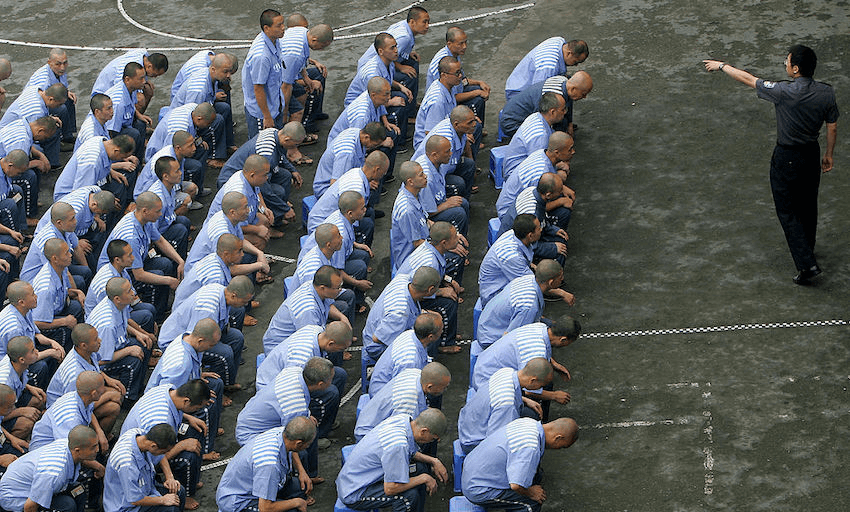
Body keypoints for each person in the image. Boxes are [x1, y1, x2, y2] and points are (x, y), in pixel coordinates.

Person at [703, 46, 839, 284]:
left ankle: (807, 265)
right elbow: (832, 126)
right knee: (808, 206)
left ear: (795, 69)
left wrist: (723, 66)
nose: (785, 65)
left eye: (787, 62)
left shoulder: (783, 91)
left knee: (787, 210)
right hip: (810, 154)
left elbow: (748, 78)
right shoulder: (826, 93)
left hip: (786, 156)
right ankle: (808, 249)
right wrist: (828, 154)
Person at [120, 380, 212, 510]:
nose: (197, 411)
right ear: (186, 401)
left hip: (151, 443)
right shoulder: (160, 420)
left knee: (194, 432)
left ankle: (188, 483)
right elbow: (157, 452)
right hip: (146, 455)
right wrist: (181, 447)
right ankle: (183, 493)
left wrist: (188, 417)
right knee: (187, 456)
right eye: (197, 408)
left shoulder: (168, 390)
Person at [336, 409, 448, 512]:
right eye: (433, 438)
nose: (432, 441)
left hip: (359, 476)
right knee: (408, 496)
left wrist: (434, 461)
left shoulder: (403, 420)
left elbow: (411, 452)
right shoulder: (398, 446)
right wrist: (424, 478)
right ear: (424, 431)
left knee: (420, 468)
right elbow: (391, 488)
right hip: (355, 491)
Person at [146, 319, 224, 466]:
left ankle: (210, 433)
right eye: (211, 345)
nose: (211, 348)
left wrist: (198, 375)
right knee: (205, 409)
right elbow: (169, 397)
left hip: (183, 390)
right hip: (166, 400)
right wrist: (187, 416)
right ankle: (204, 450)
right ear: (201, 340)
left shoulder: (189, 339)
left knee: (216, 385)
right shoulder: (180, 365)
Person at [97, 192, 185, 321]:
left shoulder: (145, 220)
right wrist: (169, 280)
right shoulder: (131, 237)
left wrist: (180, 261)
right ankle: (157, 317)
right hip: (119, 274)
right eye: (157, 211)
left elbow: (160, 241)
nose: (160, 214)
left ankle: (162, 307)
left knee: (165, 264)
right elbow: (139, 275)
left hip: (133, 264)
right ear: (145, 211)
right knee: (160, 276)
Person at [462, 417, 579, 511]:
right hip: (478, 489)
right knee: (530, 504)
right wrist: (530, 493)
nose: (559, 449)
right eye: (562, 446)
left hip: (472, 470)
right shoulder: (531, 447)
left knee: (536, 474)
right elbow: (516, 485)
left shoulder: (528, 422)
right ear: (558, 438)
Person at [471, 319, 580, 419]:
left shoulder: (540, 327)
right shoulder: (536, 352)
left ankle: (544, 421)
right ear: (563, 339)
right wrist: (554, 396)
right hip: (487, 382)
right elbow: (529, 389)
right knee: (532, 413)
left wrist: (554, 365)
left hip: (485, 366)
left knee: (545, 382)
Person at [157, 278, 254, 390]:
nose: (246, 304)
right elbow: (196, 341)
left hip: (198, 333)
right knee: (224, 353)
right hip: (178, 340)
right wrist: (197, 374)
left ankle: (227, 383)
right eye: (244, 301)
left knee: (237, 338)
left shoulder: (221, 290)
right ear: (233, 295)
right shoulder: (207, 310)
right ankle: (212, 390)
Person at [396, 222, 467, 354]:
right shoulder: (430, 262)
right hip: (412, 294)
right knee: (448, 303)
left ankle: (446, 331)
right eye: (455, 237)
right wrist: (441, 291)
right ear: (444, 243)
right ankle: (445, 342)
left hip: (416, 287)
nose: (458, 238)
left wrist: (449, 280)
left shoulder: (429, 247)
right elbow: (420, 288)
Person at [218, 122, 306, 229]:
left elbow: (280, 155)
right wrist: (285, 209)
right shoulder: (267, 154)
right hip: (233, 180)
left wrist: (293, 171)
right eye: (295, 144)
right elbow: (264, 189)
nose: (296, 147)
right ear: (287, 139)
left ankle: (279, 211)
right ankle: (272, 222)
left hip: (250, 173)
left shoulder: (274, 132)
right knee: (278, 191)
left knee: (286, 175)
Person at [217, 417, 315, 512]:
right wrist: (296, 502)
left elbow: (293, 450)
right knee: (292, 510)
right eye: (308, 444)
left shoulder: (282, 432)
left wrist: (302, 472)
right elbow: (265, 508)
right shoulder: (269, 465)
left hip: (252, 485)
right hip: (240, 501)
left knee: (301, 487)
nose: (307, 447)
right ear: (299, 443)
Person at [457, 359, 553, 454]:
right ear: (533, 381)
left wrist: (525, 399)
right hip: (474, 442)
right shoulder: (507, 404)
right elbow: (495, 440)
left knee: (531, 414)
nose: (539, 389)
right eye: (540, 386)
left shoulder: (506, 372)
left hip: (468, 425)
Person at [46, 323, 125, 436]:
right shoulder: (75, 375)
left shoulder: (86, 353)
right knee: (114, 406)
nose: (100, 340)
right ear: (83, 345)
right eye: (95, 339)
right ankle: (96, 439)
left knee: (116, 394)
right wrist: (108, 396)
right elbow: (79, 404)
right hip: (66, 411)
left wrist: (108, 379)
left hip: (83, 398)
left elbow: (94, 368)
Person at [476, 260, 572, 352]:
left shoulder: (528, 279)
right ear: (551, 282)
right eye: (560, 277)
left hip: (488, 325)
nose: (562, 279)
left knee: (551, 326)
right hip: (492, 338)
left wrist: (561, 293)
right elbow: (511, 337)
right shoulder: (529, 306)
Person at [299, 192, 372, 313]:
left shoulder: (341, 219)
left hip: (331, 261)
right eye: (362, 208)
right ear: (350, 213)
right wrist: (357, 283)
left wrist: (356, 244)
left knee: (362, 255)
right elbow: (338, 269)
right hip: (313, 298)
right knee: (349, 292)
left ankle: (355, 298)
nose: (365, 210)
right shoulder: (337, 240)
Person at [0, 425, 99, 512]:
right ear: (77, 450)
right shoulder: (54, 473)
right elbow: (29, 507)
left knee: (79, 490)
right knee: (68, 505)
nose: (97, 450)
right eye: (93, 447)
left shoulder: (68, 444)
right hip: (17, 498)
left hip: (34, 485)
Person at [234, 357, 331, 446]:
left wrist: (307, 414)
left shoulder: (294, 371)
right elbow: (291, 440)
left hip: (248, 420)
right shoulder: (295, 406)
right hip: (253, 436)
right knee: (302, 445)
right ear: (320, 384)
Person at [87, 277, 155, 402]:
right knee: (132, 360)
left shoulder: (118, 305)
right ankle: (127, 398)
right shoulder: (107, 325)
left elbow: (124, 322)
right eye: (129, 291)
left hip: (116, 345)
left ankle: (139, 387)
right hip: (97, 364)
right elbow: (101, 359)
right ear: (117, 298)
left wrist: (139, 333)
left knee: (143, 343)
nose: (133, 293)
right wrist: (128, 351)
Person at [361, 266, 441, 365]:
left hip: (382, 328)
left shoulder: (402, 279)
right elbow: (377, 338)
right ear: (430, 289)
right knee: (427, 337)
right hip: (377, 348)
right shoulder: (399, 313)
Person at [170, 53, 239, 165]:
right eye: (225, 72)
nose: (228, 76)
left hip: (200, 107)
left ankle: (227, 144)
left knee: (224, 108)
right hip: (185, 120)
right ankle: (213, 156)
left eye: (230, 72)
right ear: (213, 69)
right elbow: (192, 116)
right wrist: (197, 138)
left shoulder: (211, 76)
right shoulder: (198, 89)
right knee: (217, 120)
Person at [184, 191, 270, 280]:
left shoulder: (229, 218)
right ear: (232, 212)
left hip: (211, 264)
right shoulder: (221, 233)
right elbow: (230, 269)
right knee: (241, 279)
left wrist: (259, 253)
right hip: (201, 274)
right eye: (245, 208)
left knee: (250, 254)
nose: (248, 210)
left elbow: (241, 241)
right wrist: (259, 265)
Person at [279, 22, 334, 163]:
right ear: (314, 40)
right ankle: (291, 150)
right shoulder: (295, 53)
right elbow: (286, 86)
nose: (321, 50)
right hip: (276, 80)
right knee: (296, 110)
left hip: (282, 72)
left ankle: (298, 132)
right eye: (322, 46)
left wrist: (307, 79)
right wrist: (285, 113)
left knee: (303, 94)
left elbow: (302, 60)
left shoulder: (302, 32)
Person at [262, 266, 349, 354]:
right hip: (281, 349)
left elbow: (328, 305)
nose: (340, 290)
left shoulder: (313, 285)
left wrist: (342, 317)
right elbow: (311, 342)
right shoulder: (308, 310)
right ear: (323, 288)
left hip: (298, 333)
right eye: (337, 287)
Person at [355, 363, 450, 441]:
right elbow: (401, 437)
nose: (445, 390)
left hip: (372, 417)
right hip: (368, 436)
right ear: (429, 387)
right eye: (444, 387)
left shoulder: (415, 373)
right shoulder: (409, 404)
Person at [103, 423, 186, 512]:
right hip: (127, 507)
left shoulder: (140, 434)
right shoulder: (127, 464)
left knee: (179, 490)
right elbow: (135, 500)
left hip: (146, 488)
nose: (164, 455)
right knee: (170, 509)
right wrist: (163, 500)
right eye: (163, 452)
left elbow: (161, 457)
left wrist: (169, 477)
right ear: (153, 446)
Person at [307, 151, 389, 239]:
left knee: (369, 213)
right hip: (323, 227)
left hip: (323, 215)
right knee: (367, 226)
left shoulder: (356, 172)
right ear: (377, 169)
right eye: (383, 173)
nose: (382, 176)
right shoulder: (357, 189)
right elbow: (350, 220)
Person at [496, 132, 575, 222]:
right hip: (510, 213)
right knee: (563, 212)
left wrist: (562, 188)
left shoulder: (542, 153)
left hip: (515, 201)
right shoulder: (540, 174)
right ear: (557, 153)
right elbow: (535, 206)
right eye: (570, 149)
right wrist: (561, 201)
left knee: (558, 192)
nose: (573, 152)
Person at [0, 281, 66, 389]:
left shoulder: (24, 309)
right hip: (13, 365)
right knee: (41, 367)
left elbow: (35, 333)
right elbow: (22, 358)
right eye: (32, 294)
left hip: (28, 349)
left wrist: (51, 342)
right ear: (21, 302)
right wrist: (50, 352)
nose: (36, 296)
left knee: (56, 343)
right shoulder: (13, 329)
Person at [358, 7, 430, 102]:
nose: (427, 26)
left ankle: (411, 103)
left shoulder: (404, 25)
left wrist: (406, 53)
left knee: (412, 62)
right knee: (410, 76)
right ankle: (408, 107)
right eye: (424, 22)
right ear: (412, 22)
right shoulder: (405, 38)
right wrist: (401, 67)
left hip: (380, 60)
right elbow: (387, 55)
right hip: (375, 66)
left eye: (428, 22)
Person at [498, 173, 571, 265]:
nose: (562, 192)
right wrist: (553, 248)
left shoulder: (532, 191)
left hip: (529, 235)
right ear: (548, 195)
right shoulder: (531, 213)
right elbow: (528, 243)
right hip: (515, 244)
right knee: (560, 252)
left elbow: (542, 217)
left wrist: (553, 230)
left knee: (560, 238)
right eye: (559, 191)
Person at [327, 78, 398, 172]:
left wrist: (386, 123)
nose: (389, 97)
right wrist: (381, 143)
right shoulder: (361, 117)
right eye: (386, 94)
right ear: (373, 95)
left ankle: (384, 176)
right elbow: (360, 140)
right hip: (347, 147)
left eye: (389, 93)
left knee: (392, 134)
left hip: (364, 137)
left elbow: (380, 108)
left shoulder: (373, 98)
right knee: (380, 154)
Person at [426, 27, 491, 128]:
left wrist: (479, 83)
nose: (464, 46)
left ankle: (475, 129)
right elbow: (452, 97)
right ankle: (472, 129)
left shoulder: (454, 54)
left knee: (479, 89)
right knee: (477, 98)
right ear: (449, 44)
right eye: (460, 44)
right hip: (448, 101)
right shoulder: (443, 64)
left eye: (465, 42)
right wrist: (476, 93)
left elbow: (462, 80)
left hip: (455, 91)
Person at [256, 322, 350, 391]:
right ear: (330, 343)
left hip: (279, 371)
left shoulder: (315, 329)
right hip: (274, 387)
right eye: (341, 349)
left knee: (340, 375)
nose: (342, 352)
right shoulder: (302, 360)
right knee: (330, 392)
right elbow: (293, 388)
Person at [209, 154, 280, 246]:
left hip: (239, 218)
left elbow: (257, 191)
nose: (267, 178)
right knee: (260, 241)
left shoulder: (246, 176)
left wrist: (264, 208)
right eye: (265, 175)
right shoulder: (239, 193)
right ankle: (249, 258)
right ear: (252, 175)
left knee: (265, 220)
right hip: (224, 230)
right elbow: (237, 224)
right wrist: (258, 230)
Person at [145, 103, 216, 194]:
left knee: (202, 148)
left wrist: (197, 139)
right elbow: (172, 155)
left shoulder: (193, 108)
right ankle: (186, 193)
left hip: (176, 148)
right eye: (208, 123)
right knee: (195, 166)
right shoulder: (179, 127)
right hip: (162, 157)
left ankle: (199, 189)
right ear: (199, 119)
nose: (208, 126)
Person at [85, 239, 157, 329]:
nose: (133, 258)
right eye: (129, 255)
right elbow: (117, 317)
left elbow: (133, 296)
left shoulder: (121, 270)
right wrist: (142, 333)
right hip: (105, 323)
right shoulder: (107, 284)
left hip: (123, 308)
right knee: (146, 316)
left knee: (149, 308)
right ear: (117, 260)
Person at [29, 371, 108, 451]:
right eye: (102, 386)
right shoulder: (72, 419)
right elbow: (71, 452)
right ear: (93, 394)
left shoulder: (78, 396)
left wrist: (99, 431)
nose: (104, 389)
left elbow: (89, 411)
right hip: (46, 452)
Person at [368, 312, 441, 398]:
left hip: (383, 384)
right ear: (430, 337)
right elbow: (404, 392)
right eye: (441, 330)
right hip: (383, 396)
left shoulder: (410, 334)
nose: (442, 332)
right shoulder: (410, 361)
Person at [500, 71, 593, 138]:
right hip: (512, 123)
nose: (584, 97)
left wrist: (569, 124)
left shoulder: (564, 81)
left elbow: (569, 103)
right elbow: (541, 122)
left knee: (562, 121)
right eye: (583, 93)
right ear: (573, 89)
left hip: (519, 112)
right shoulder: (553, 96)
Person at [0, 116, 57, 224]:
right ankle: (28, 215)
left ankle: (32, 202)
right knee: (28, 177)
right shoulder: (22, 141)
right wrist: (36, 163)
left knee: (35, 163)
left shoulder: (23, 124)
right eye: (44, 137)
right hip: (5, 164)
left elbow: (28, 147)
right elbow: (16, 163)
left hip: (8, 161)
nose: (42, 140)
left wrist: (40, 155)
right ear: (40, 131)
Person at [411, 106, 478, 198]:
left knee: (469, 164)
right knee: (458, 184)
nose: (474, 124)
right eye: (470, 122)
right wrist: (445, 202)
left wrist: (472, 162)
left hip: (447, 166)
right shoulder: (446, 141)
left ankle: (465, 199)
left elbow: (465, 141)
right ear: (456, 124)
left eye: (474, 120)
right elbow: (439, 174)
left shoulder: (458, 129)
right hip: (430, 176)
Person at [31, 239, 85, 351]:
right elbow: (36, 322)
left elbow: (64, 291)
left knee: (76, 306)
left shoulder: (61, 268)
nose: (70, 255)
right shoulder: (46, 289)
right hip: (44, 323)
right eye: (66, 253)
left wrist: (77, 292)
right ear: (54, 259)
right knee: (67, 328)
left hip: (55, 310)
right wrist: (64, 321)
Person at [22, 201, 90, 288]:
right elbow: (57, 270)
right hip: (36, 280)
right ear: (59, 222)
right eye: (72, 219)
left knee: (86, 271)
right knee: (79, 282)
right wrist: (76, 293)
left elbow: (76, 247)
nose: (75, 221)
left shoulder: (66, 228)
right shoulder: (49, 240)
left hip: (58, 267)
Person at [0, 83, 68, 169]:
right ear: (51, 99)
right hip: (12, 138)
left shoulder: (36, 89)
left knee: (55, 120)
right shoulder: (36, 113)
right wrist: (38, 158)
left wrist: (51, 119)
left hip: (13, 128)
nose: (59, 106)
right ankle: (50, 165)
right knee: (39, 148)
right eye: (58, 104)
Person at [52, 134, 135, 204]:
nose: (122, 159)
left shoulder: (101, 141)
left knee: (119, 187)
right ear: (116, 151)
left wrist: (110, 170)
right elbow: (81, 194)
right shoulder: (92, 163)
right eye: (123, 157)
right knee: (110, 204)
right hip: (69, 198)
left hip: (89, 185)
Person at [501, 93, 567, 180]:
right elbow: (537, 168)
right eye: (563, 110)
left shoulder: (536, 116)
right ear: (553, 112)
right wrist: (555, 172)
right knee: (560, 178)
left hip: (519, 166)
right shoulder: (540, 137)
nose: (565, 112)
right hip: (517, 175)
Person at [477, 215, 540, 307]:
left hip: (503, 282)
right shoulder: (511, 256)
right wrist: (560, 292)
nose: (541, 230)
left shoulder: (513, 234)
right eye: (539, 228)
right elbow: (531, 284)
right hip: (495, 296)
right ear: (530, 235)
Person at [242, 9, 287, 138]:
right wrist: (266, 117)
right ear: (266, 28)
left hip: (274, 105)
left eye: (283, 23)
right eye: (279, 25)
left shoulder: (274, 40)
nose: (283, 28)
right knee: (262, 149)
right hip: (262, 113)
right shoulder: (261, 56)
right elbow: (258, 88)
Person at [415, 134, 469, 236]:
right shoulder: (426, 179)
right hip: (424, 217)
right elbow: (428, 212)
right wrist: (447, 204)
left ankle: (462, 238)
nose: (451, 153)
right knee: (459, 214)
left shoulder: (436, 162)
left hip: (435, 200)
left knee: (463, 202)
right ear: (435, 155)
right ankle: (454, 244)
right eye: (447, 151)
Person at [313, 122, 383, 198]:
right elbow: (335, 186)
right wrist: (364, 184)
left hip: (343, 178)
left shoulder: (356, 132)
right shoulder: (347, 154)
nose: (374, 147)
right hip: (326, 190)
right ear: (366, 137)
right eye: (374, 144)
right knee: (368, 190)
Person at [505, 38, 589, 100]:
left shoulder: (559, 41)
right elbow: (538, 94)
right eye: (575, 61)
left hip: (520, 81)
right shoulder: (549, 67)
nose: (576, 65)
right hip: (518, 92)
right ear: (569, 54)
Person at [25, 49, 77, 147]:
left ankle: (68, 136)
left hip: (47, 100)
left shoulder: (58, 71)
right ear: (49, 63)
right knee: (62, 108)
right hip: (35, 108)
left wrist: (67, 92)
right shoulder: (43, 80)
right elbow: (40, 101)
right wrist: (50, 118)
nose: (62, 67)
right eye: (58, 64)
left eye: (65, 63)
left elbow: (59, 87)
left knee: (69, 99)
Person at [91, 49, 168, 113]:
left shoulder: (143, 55)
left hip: (115, 86)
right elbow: (120, 89)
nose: (154, 77)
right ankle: (127, 124)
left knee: (148, 90)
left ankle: (136, 121)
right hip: (103, 94)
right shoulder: (127, 68)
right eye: (155, 75)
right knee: (139, 99)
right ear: (149, 66)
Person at [134, 130, 201, 204]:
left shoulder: (177, 153)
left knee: (192, 188)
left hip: (167, 185)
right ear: (178, 148)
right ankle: (170, 213)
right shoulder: (166, 159)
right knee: (186, 200)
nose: (194, 148)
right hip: (148, 195)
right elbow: (159, 186)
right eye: (190, 146)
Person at [104, 63, 151, 166]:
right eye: (141, 78)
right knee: (134, 133)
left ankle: (138, 159)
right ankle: (129, 160)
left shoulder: (131, 89)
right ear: (127, 79)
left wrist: (139, 116)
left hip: (123, 125)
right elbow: (111, 131)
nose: (144, 81)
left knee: (141, 124)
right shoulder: (118, 102)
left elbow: (131, 107)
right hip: (110, 134)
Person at [0, 336, 45, 441]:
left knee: (39, 399)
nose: (37, 352)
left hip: (10, 404)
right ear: (22, 359)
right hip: (3, 414)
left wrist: (28, 387)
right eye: (32, 351)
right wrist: (21, 411)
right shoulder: (4, 383)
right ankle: (9, 445)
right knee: (26, 424)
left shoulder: (16, 362)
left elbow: (16, 379)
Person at [147, 156, 192, 258]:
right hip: (157, 236)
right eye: (176, 171)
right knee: (180, 230)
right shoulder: (158, 199)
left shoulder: (169, 187)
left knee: (184, 221)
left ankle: (182, 255)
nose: (180, 173)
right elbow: (152, 231)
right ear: (165, 176)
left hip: (165, 225)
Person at [414, 56, 461, 149]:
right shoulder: (437, 101)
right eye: (457, 73)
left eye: (460, 71)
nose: (460, 76)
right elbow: (431, 134)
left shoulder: (447, 86)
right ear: (444, 75)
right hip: (429, 145)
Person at [390, 160, 430, 266]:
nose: (425, 176)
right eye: (421, 175)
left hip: (423, 240)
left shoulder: (414, 193)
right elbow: (417, 243)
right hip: (411, 258)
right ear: (410, 182)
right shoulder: (407, 210)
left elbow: (425, 220)